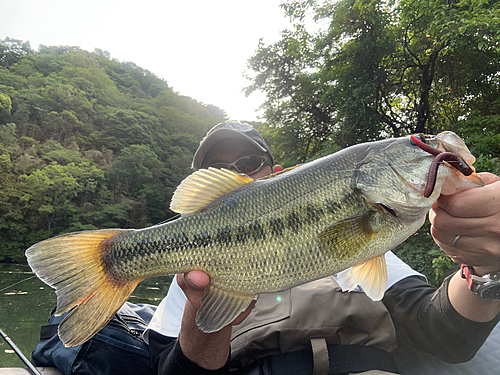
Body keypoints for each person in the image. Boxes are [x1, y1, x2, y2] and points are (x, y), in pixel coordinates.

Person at [144, 120, 500, 374]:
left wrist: (486, 267)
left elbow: (443, 335)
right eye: (218, 169)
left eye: (249, 164)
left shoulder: (368, 247)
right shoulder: (186, 281)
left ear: (277, 172)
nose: (237, 175)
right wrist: (205, 314)